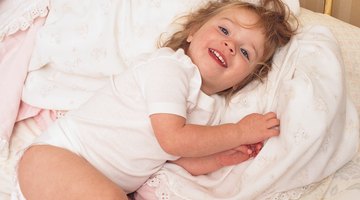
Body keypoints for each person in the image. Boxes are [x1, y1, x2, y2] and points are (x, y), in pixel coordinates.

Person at [15, 0, 296, 199]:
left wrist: (220, 157)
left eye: (246, 52)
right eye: (224, 30)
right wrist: (238, 132)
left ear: (242, 81)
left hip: (89, 180)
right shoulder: (170, 68)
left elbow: (179, 159)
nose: (230, 45)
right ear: (193, 31)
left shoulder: (212, 110)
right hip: (56, 157)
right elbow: (173, 139)